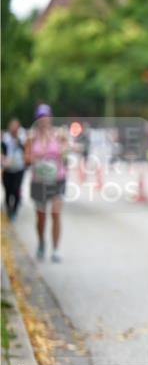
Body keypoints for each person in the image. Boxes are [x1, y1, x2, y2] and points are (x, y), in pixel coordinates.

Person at [24, 105, 70, 262]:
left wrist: (64, 150)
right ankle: (41, 242)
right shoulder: (31, 137)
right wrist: (37, 158)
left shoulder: (59, 134)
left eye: (46, 116)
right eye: (41, 116)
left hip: (57, 178)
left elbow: (66, 152)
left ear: (51, 117)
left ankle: (56, 249)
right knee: (41, 217)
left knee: (56, 214)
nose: (44, 119)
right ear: (37, 119)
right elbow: (26, 159)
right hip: (39, 180)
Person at [2, 118, 27, 220]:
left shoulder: (22, 137)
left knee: (16, 189)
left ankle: (15, 210)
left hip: (19, 168)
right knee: (8, 190)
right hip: (7, 168)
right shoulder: (5, 138)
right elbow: (2, 151)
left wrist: (18, 141)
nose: (14, 129)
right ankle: (9, 208)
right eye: (12, 127)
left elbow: (25, 150)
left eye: (16, 127)